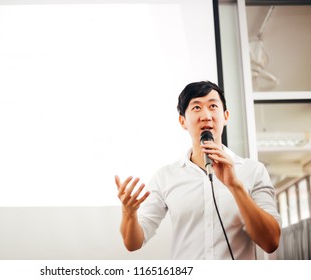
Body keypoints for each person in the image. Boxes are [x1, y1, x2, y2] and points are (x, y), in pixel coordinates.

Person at [115, 81, 281, 260]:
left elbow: (271, 242)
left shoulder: (253, 171)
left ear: (226, 116)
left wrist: (235, 187)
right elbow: (133, 243)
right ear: (182, 121)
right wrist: (129, 213)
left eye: (213, 106)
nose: (206, 115)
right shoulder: (166, 176)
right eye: (196, 108)